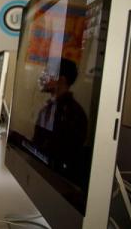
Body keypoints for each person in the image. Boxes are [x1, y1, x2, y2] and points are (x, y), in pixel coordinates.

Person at [32, 58, 89, 187]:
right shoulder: (48, 109)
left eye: (47, 73)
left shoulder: (73, 114)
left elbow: (57, 156)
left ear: (61, 80)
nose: (42, 77)